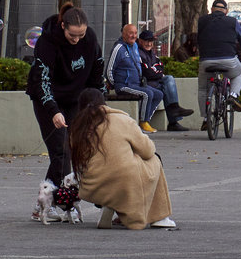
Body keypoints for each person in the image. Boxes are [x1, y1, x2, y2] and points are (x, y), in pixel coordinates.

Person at [26, 5, 105, 219]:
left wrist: (99, 105)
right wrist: (53, 111)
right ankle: (54, 202)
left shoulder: (89, 40)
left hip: (74, 99)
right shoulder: (47, 43)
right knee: (61, 150)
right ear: (63, 26)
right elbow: (42, 80)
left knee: (77, 148)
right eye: (72, 35)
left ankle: (45, 203)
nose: (77, 39)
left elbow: (97, 74)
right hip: (47, 100)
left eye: (81, 34)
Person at [68, 89, 177, 230]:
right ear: (103, 102)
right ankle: (159, 217)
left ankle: (113, 206)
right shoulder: (122, 119)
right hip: (123, 181)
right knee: (154, 160)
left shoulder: (77, 128)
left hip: (92, 186)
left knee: (113, 169)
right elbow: (148, 150)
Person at [107, 23, 164, 133]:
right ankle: (143, 122)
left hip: (136, 84)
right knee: (147, 94)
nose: (133, 36)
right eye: (130, 33)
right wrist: (116, 85)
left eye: (135, 33)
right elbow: (109, 69)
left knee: (159, 94)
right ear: (124, 34)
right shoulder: (119, 48)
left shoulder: (135, 47)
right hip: (124, 85)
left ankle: (145, 119)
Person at [194, 0, 241, 112]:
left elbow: (198, 39)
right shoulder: (232, 22)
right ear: (226, 11)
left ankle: (205, 120)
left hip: (206, 60)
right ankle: (233, 96)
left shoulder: (202, 21)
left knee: (203, 89)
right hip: (228, 59)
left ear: (211, 10)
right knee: (240, 73)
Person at [135, 29, 191, 131]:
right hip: (144, 83)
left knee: (168, 82)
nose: (149, 43)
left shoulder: (152, 53)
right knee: (167, 82)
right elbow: (147, 72)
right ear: (140, 41)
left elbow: (160, 66)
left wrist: (156, 71)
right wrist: (157, 72)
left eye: (151, 41)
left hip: (153, 82)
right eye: (146, 41)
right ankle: (173, 118)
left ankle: (174, 115)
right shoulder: (138, 53)